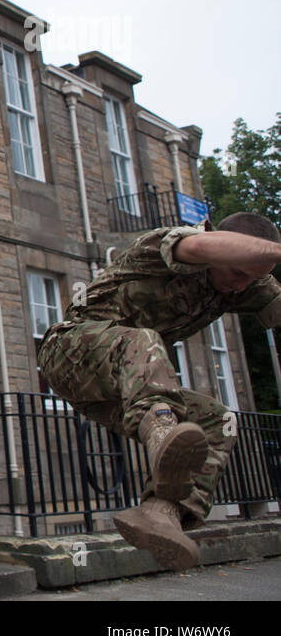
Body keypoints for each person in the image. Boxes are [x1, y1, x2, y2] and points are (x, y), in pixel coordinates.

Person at [38, 212, 281, 570]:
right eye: (237, 273)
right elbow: (198, 245)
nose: (241, 286)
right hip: (70, 351)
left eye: (252, 279)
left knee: (218, 420)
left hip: (123, 387)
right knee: (144, 341)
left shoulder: (248, 283)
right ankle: (163, 433)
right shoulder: (163, 244)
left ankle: (162, 514)